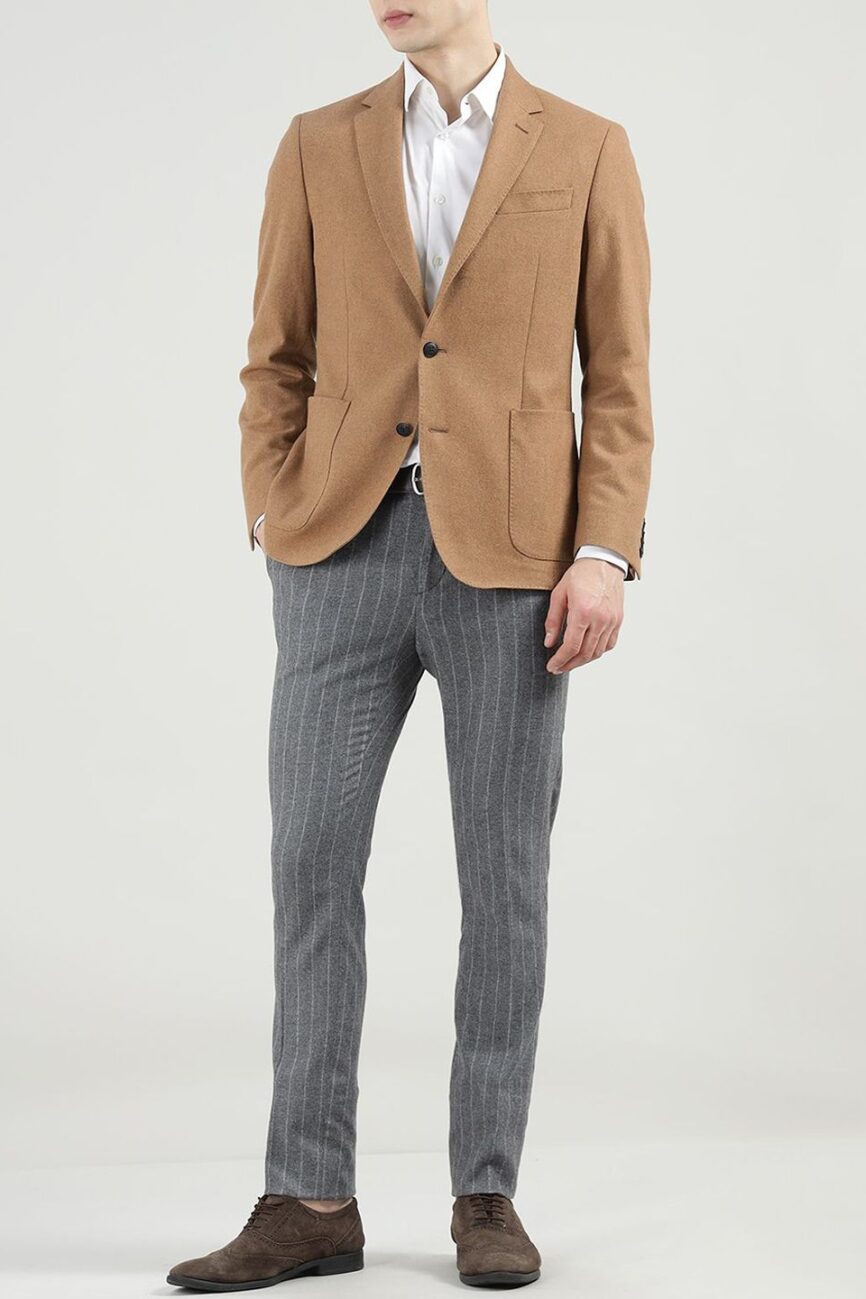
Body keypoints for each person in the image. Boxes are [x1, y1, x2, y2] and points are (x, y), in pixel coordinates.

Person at [167, 0, 653, 1289]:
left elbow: (618, 376)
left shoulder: (586, 147)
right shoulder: (317, 142)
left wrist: (604, 552)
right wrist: (272, 510)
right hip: (337, 552)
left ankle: (486, 1192)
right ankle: (308, 1197)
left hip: (515, 568)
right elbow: (275, 356)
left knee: (505, 881)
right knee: (311, 867)